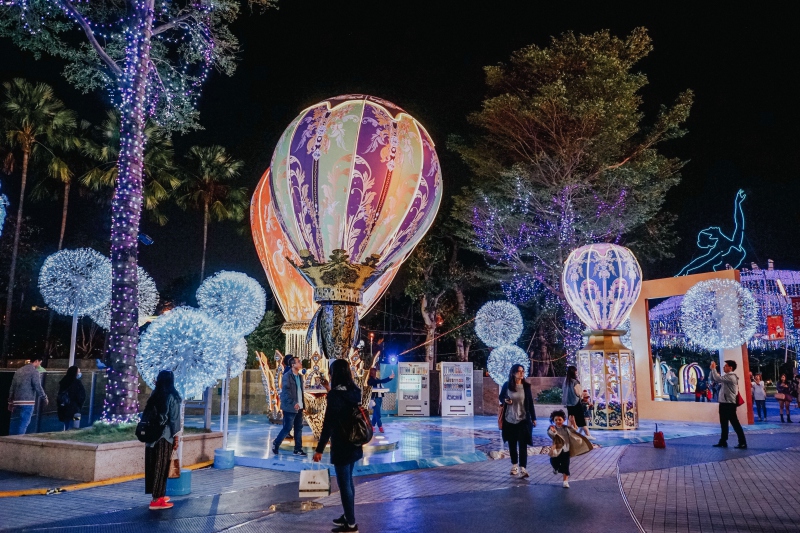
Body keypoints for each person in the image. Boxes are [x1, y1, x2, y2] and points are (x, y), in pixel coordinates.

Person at [313, 359, 362, 533]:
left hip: (341, 444)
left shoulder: (335, 396)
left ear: (335, 374)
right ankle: (348, 516)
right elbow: (343, 402)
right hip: (354, 443)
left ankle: (351, 525)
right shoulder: (355, 391)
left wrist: (319, 449)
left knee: (344, 485)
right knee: (348, 481)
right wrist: (330, 390)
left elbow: (328, 424)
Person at [144, 370, 181, 510]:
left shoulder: (154, 394)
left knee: (153, 466)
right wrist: (176, 437)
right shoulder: (172, 396)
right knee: (161, 467)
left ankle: (157, 495)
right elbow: (174, 420)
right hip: (164, 437)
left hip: (150, 437)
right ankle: (157, 500)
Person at [499, 364, 537, 478]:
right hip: (509, 419)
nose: (522, 373)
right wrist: (505, 400)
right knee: (512, 444)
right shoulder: (507, 385)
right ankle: (514, 465)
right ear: (513, 373)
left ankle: (523, 468)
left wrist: (534, 418)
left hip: (523, 419)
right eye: (519, 371)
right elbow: (501, 397)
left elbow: (530, 402)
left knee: (523, 445)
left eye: (523, 371)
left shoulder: (526, 386)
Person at [547, 409, 592, 488]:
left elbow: (574, 429)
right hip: (557, 450)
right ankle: (556, 468)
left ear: (563, 420)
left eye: (559, 419)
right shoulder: (551, 428)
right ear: (553, 420)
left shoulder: (566, 428)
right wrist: (553, 431)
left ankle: (565, 481)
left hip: (566, 450)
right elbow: (551, 434)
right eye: (556, 420)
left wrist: (573, 422)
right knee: (553, 461)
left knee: (566, 465)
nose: (558, 421)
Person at [272, 355, 307, 456]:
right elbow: (286, 392)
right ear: (293, 365)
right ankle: (276, 443)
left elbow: (300, 391)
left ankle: (298, 449)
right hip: (290, 407)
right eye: (298, 361)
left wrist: (302, 404)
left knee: (298, 428)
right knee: (287, 427)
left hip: (299, 406)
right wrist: (293, 403)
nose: (300, 363)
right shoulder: (287, 376)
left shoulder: (300, 376)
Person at [710, 360, 747, 449]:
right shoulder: (727, 376)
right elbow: (714, 379)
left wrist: (714, 369)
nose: (724, 367)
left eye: (725, 366)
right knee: (723, 423)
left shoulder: (731, 377)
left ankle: (742, 442)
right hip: (724, 403)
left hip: (729, 404)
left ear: (730, 368)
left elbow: (717, 378)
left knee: (735, 423)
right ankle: (723, 441)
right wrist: (712, 370)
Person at [7, 356, 48, 435]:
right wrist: (44, 397)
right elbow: (37, 386)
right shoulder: (34, 372)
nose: (40, 365)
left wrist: (10, 402)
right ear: (36, 361)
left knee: (16, 423)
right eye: (40, 362)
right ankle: (19, 439)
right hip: (28, 402)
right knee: (24, 423)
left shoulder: (19, 371)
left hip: (16, 401)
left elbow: (12, 387)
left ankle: (11, 439)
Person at [562, 366, 595, 440]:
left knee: (570, 418)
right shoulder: (575, 382)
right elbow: (579, 393)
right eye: (576, 372)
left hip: (569, 403)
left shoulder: (566, 381)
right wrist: (582, 396)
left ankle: (569, 434)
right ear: (574, 372)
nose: (576, 373)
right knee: (581, 419)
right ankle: (587, 434)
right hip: (576, 403)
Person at [56, 366, 86, 431]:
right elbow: (81, 395)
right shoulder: (77, 383)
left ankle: (66, 430)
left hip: (64, 406)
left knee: (66, 421)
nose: (80, 373)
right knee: (76, 421)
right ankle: (74, 431)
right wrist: (80, 403)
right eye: (78, 372)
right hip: (75, 407)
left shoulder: (63, 381)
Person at [367, 367, 394, 433]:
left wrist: (390, 378)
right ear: (372, 373)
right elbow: (380, 381)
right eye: (374, 372)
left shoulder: (376, 379)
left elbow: (382, 381)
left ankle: (372, 426)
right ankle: (380, 426)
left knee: (375, 413)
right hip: (374, 398)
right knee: (378, 413)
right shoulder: (370, 380)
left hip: (379, 398)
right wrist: (389, 377)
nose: (376, 373)